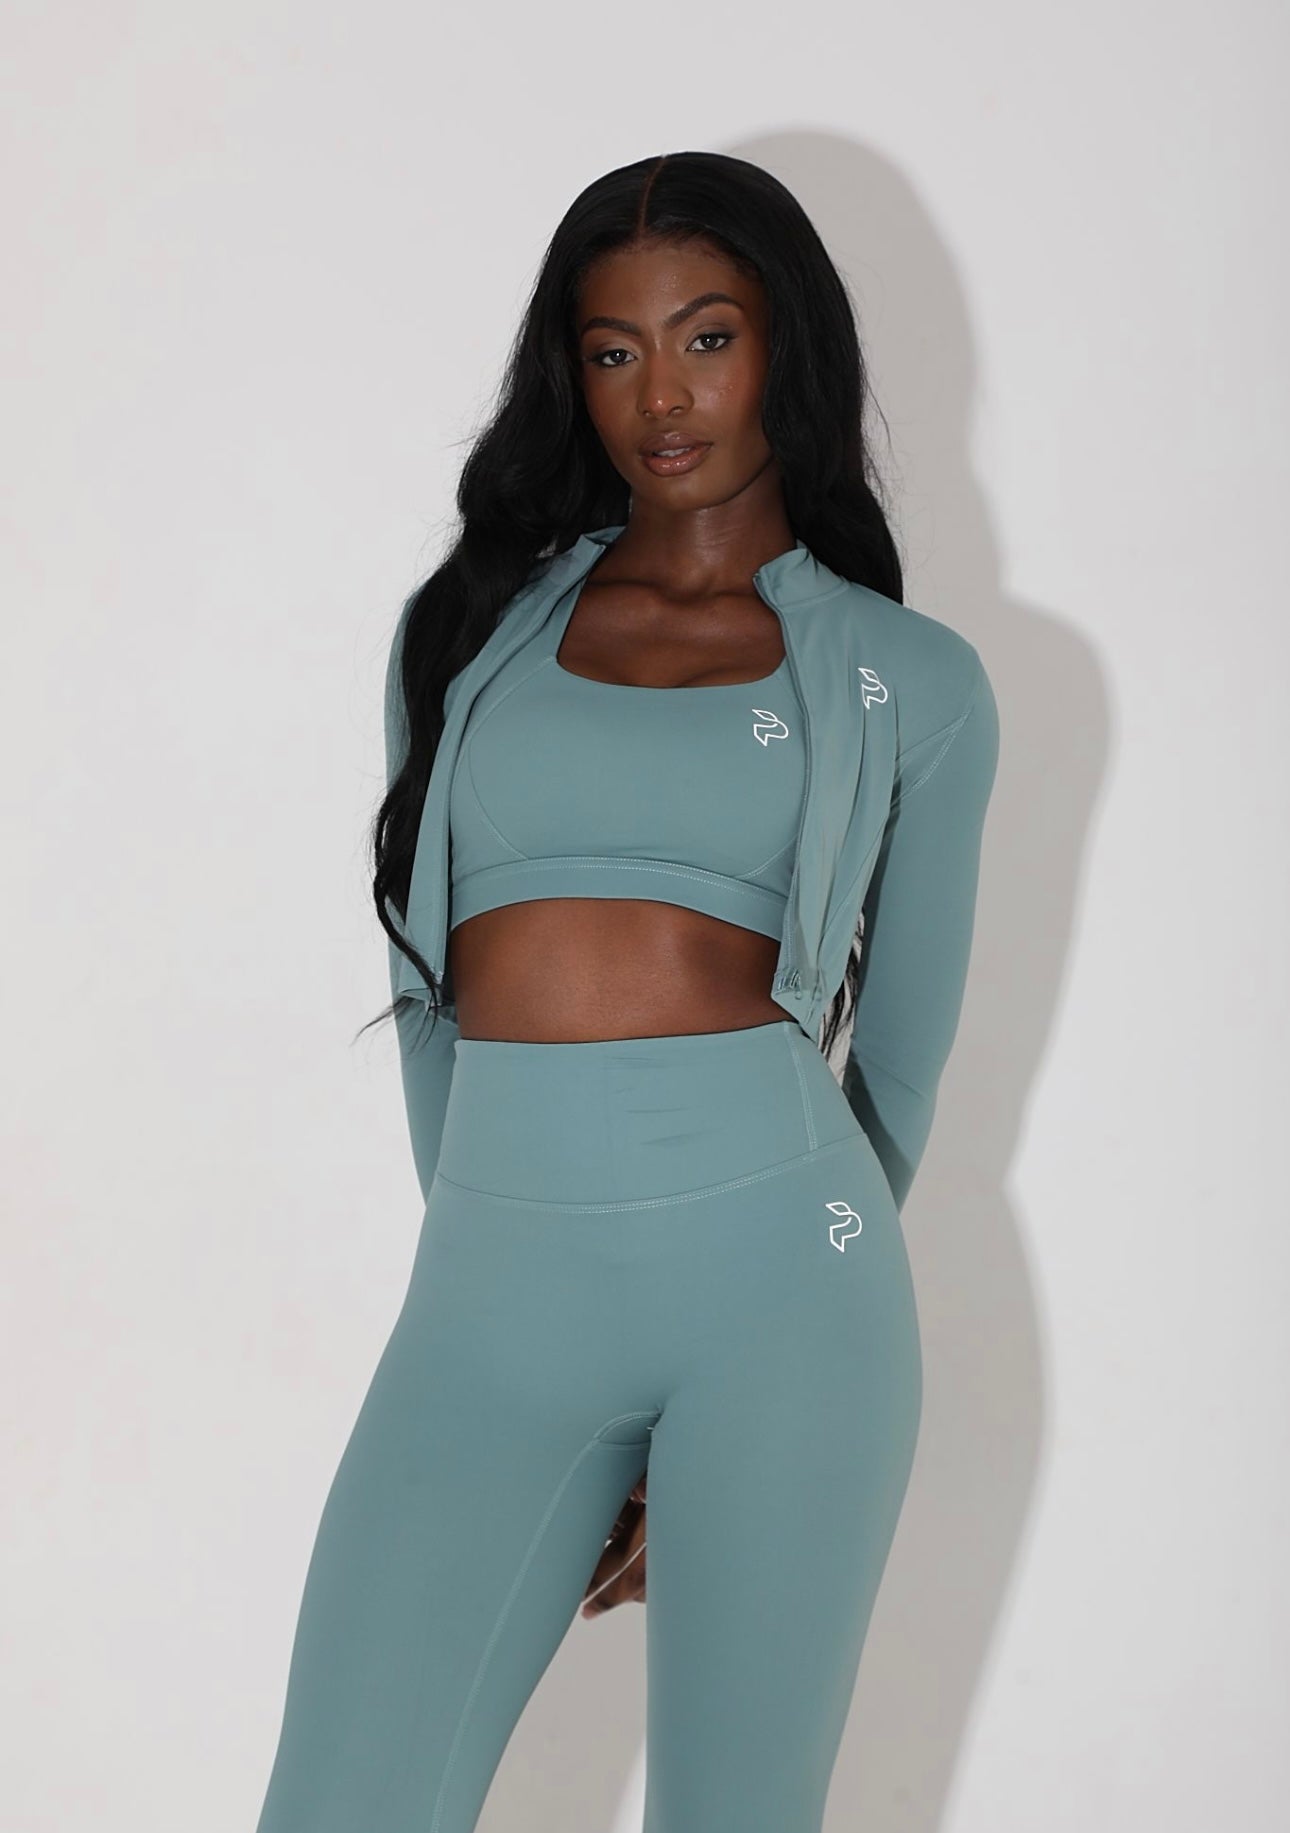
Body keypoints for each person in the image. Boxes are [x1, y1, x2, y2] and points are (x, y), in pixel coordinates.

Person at [254, 149, 1000, 1833]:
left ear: (786, 347)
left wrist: (750, 1321)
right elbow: (430, 997)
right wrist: (500, 1258)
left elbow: (897, 1070)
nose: (660, 395)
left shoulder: (909, 679)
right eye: (612, 350)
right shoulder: (466, 632)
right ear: (569, 374)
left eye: (706, 338)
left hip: (783, 1299)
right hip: (492, 1296)